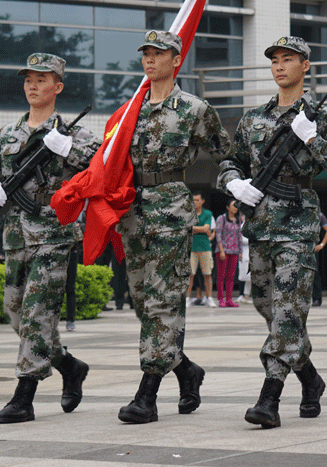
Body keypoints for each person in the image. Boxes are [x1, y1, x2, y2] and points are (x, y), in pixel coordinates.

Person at [218, 35, 327, 428]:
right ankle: (310, 379)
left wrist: (313, 138)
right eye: (275, 60)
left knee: (287, 312)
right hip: (261, 226)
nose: (280, 66)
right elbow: (230, 161)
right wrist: (234, 183)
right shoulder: (253, 117)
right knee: (270, 309)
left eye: (288, 59)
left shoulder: (323, 117)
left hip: (298, 226)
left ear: (305, 65)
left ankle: (269, 399)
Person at [0, 52, 101, 424]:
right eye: (29, 79)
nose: (33, 85)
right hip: (16, 232)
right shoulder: (7, 134)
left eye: (41, 79)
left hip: (54, 231)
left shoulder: (73, 133)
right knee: (15, 312)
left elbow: (101, 168)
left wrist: (69, 149)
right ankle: (70, 366)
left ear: (57, 86)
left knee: (37, 312)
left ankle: (24, 396)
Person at [115, 30, 230, 424]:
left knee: (163, 302)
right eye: (145, 53)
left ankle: (146, 395)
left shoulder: (194, 109)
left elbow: (226, 153)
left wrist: (234, 183)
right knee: (143, 302)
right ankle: (187, 371)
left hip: (171, 211)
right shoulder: (130, 110)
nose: (149, 59)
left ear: (176, 60)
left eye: (158, 53)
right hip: (133, 212)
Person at [185, 192, 216, 308]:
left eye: (197, 200)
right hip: (191, 247)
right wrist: (202, 229)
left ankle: (209, 298)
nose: (195, 202)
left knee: (207, 274)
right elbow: (187, 228)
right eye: (193, 200)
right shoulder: (188, 213)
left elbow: (207, 228)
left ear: (203, 201)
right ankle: (187, 298)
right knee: (190, 274)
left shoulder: (208, 213)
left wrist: (194, 229)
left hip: (205, 247)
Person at [215, 198, 243, 307]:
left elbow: (239, 236)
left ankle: (229, 299)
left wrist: (240, 251)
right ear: (227, 207)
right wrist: (221, 250)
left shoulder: (238, 220)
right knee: (221, 275)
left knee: (231, 276)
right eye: (233, 205)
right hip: (223, 250)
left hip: (234, 250)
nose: (235, 208)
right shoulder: (221, 218)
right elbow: (218, 234)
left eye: (236, 206)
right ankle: (221, 299)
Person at [312, 212, 327, 307]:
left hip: (312, 247)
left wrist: (322, 244)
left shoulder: (318, 214)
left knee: (314, 273)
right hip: (296, 246)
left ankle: (316, 298)